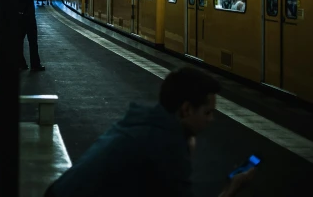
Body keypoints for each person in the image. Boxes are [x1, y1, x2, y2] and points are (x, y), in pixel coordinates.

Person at [45, 68, 255, 197]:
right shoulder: (165, 143)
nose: (211, 119)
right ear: (186, 109)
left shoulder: (145, 122)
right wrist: (230, 191)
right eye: (207, 112)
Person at [18, 0, 45, 71]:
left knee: (18, 41)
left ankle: (21, 63)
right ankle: (35, 64)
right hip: (28, 16)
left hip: (17, 16)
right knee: (32, 41)